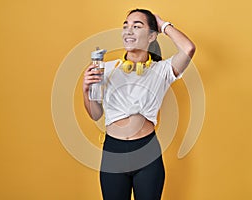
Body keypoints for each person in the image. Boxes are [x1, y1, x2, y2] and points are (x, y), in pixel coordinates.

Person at [82, 8, 195, 200]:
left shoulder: (162, 71)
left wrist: (162, 25)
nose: (128, 30)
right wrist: (86, 90)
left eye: (137, 26)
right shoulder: (106, 69)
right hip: (113, 152)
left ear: (152, 36)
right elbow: (95, 114)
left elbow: (188, 49)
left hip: (147, 152)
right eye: (125, 26)